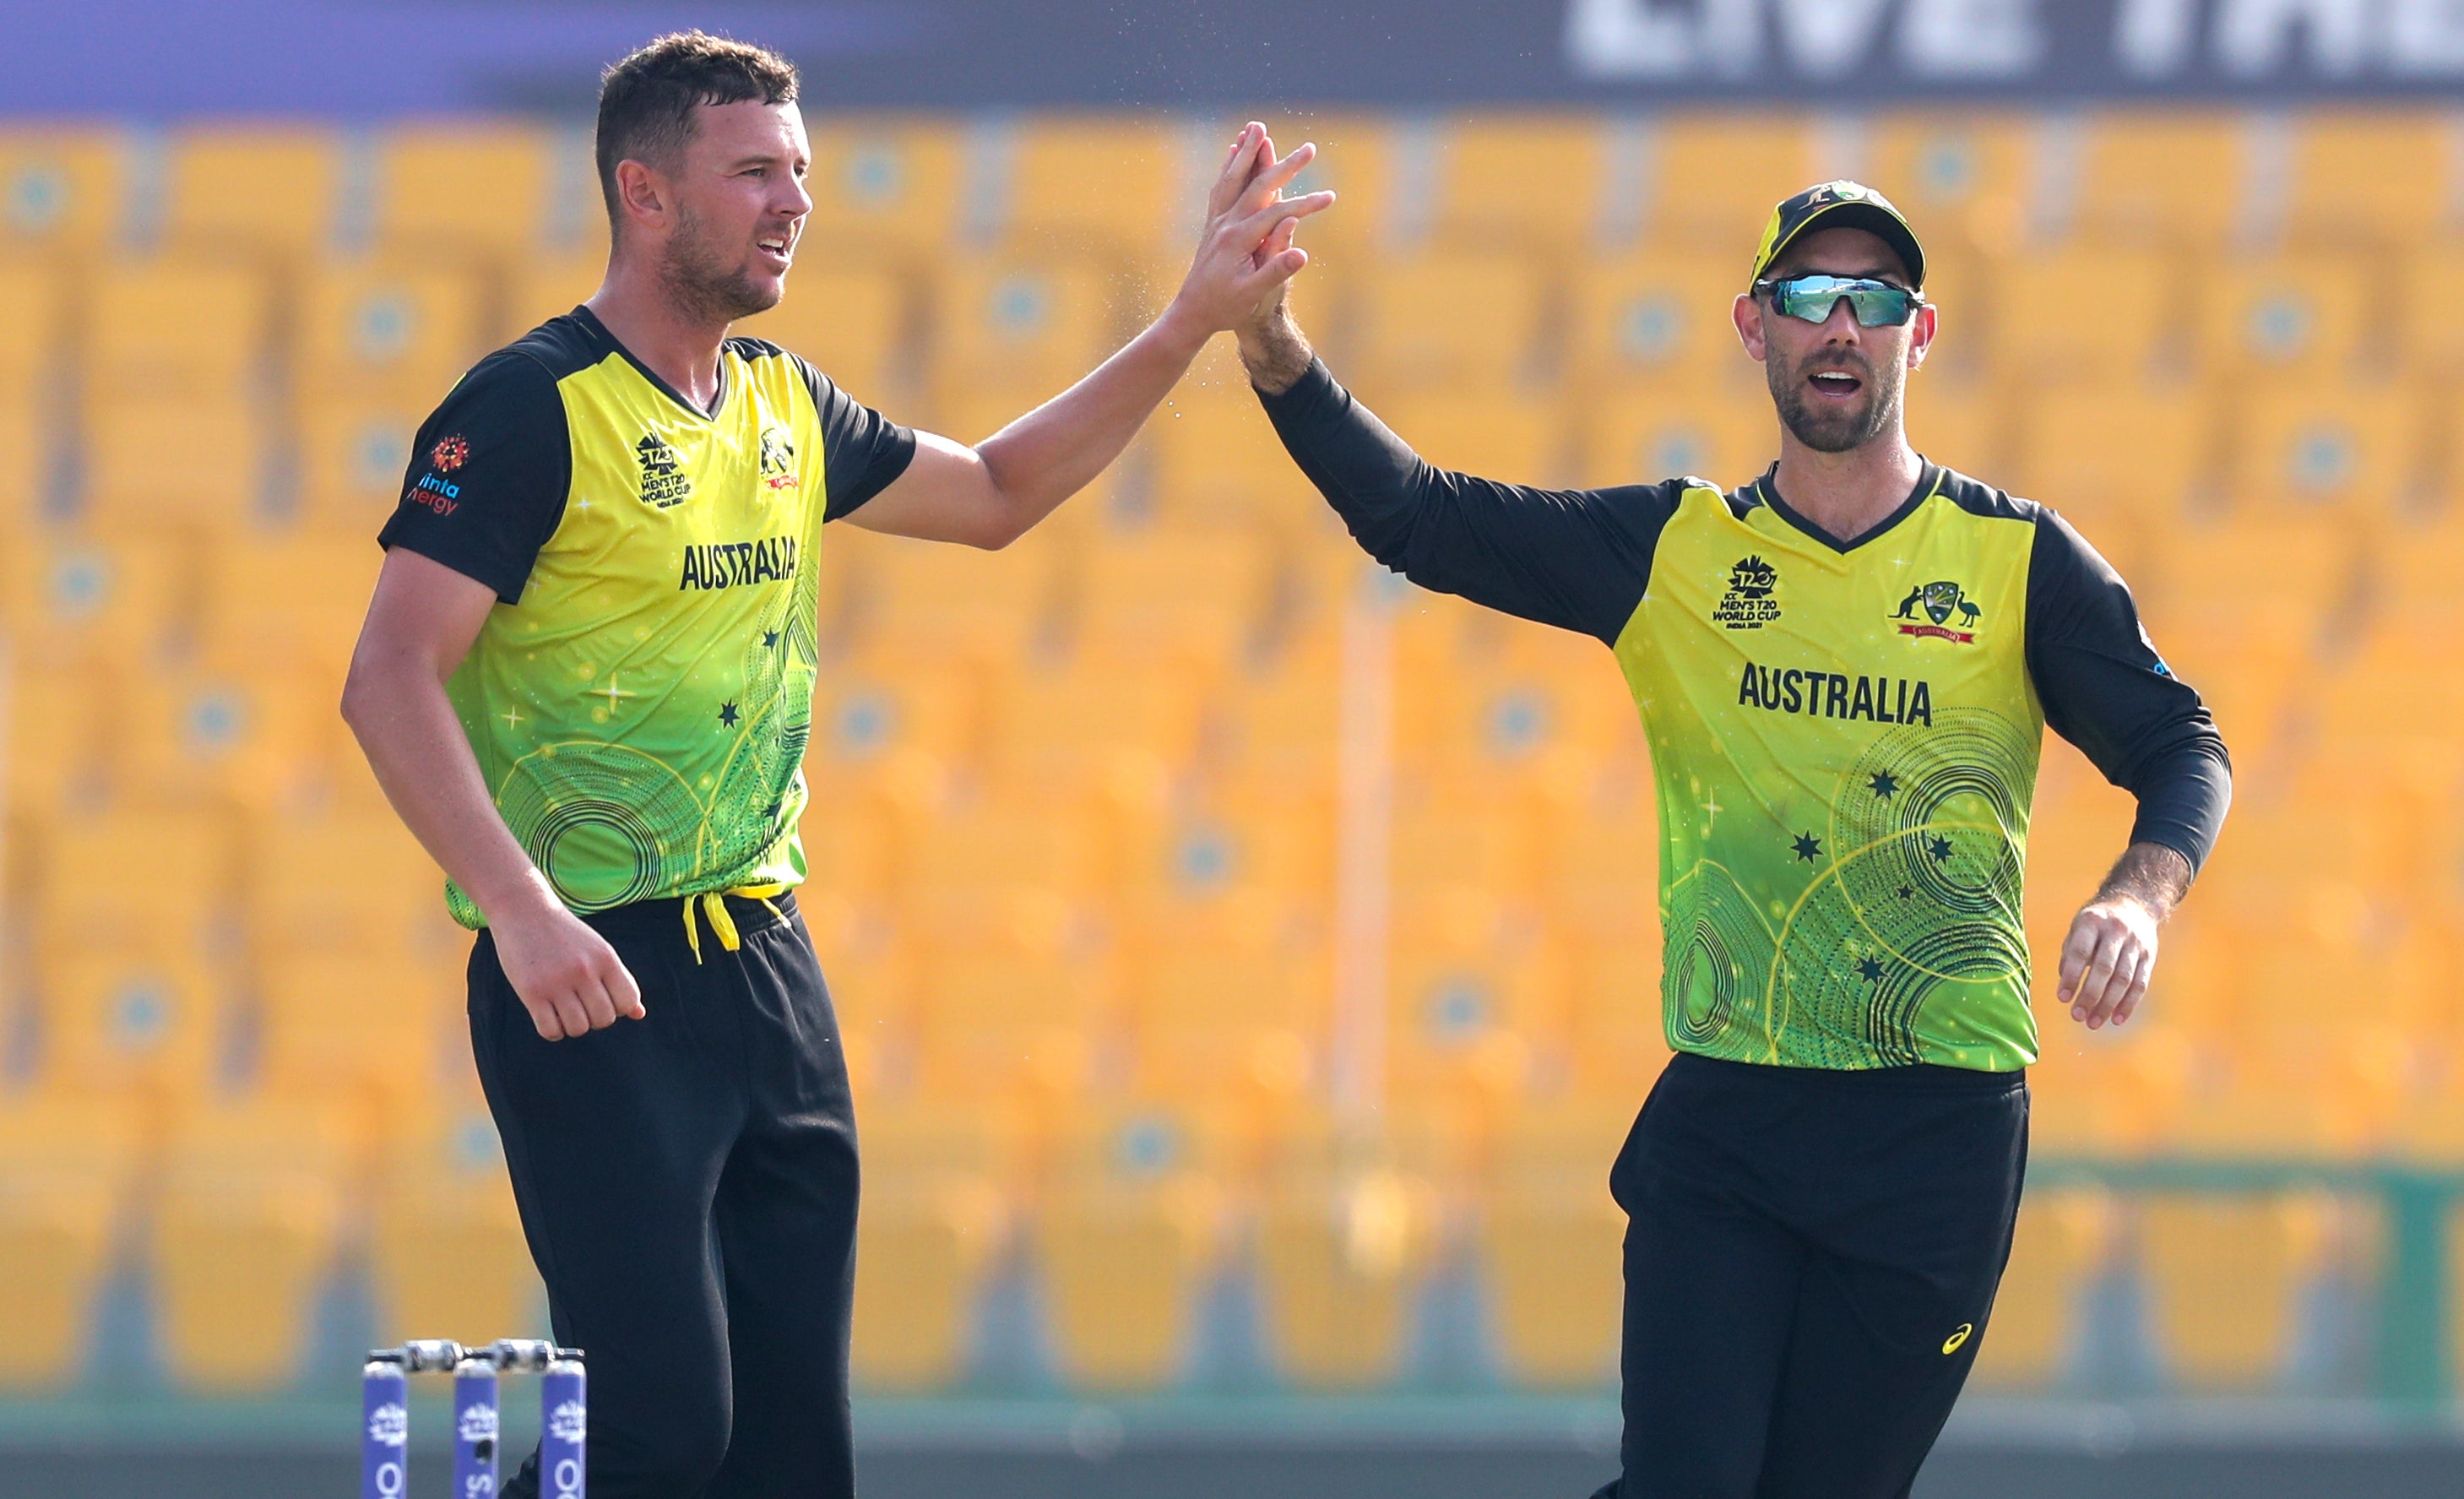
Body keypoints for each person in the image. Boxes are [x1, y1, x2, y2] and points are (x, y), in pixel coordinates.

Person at [339, 31, 1328, 1498]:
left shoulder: (783, 403)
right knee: (660, 1435)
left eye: (801, 171)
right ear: (647, 194)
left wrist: (1187, 321)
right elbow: (387, 677)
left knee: (795, 1452)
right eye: (753, 172)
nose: (793, 201)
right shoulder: (529, 408)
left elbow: (997, 494)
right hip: (591, 976)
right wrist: (525, 909)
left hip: (769, 974)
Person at [1233, 171, 2230, 1497]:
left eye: (1872, 299)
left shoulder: (2015, 560)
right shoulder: (1676, 552)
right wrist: (1267, 344)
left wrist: (2137, 898)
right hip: (1731, 1111)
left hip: (1936, 1126)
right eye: (1808, 294)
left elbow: (2181, 747)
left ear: (1915, 334)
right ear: (1750, 326)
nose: (1840, 325)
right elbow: (1419, 517)